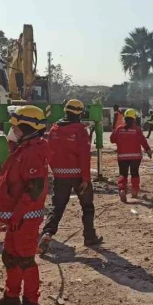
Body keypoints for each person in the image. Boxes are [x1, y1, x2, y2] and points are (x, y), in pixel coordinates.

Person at [0, 105, 51, 305]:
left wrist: (18, 215)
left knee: (25, 260)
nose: (12, 130)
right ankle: (11, 296)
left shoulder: (33, 153)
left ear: (28, 128)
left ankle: (31, 303)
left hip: (26, 217)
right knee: (10, 257)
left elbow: (34, 189)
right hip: (16, 216)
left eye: (15, 127)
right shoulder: (23, 149)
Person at [38, 99, 103, 255]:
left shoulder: (54, 129)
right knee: (87, 207)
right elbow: (84, 156)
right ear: (80, 113)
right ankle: (89, 237)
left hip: (60, 175)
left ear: (65, 111)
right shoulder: (80, 131)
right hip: (79, 176)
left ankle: (47, 233)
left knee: (57, 207)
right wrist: (86, 179)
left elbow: (50, 154)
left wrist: (57, 172)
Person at [110, 108, 152, 203]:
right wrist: (148, 150)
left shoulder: (119, 129)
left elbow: (112, 140)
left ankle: (122, 189)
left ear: (125, 118)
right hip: (135, 157)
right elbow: (143, 141)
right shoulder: (137, 129)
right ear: (134, 119)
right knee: (134, 173)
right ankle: (134, 191)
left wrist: (115, 129)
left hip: (122, 157)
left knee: (123, 174)